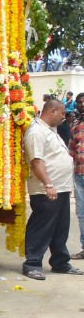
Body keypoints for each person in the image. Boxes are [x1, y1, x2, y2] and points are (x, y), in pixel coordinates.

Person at [22, 98, 83, 279]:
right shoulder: (36, 132)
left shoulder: (50, 131)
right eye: (63, 113)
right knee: (42, 226)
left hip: (60, 188)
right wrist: (48, 184)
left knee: (60, 228)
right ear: (52, 111)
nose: (65, 117)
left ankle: (60, 262)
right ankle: (32, 264)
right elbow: (36, 161)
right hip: (46, 189)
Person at [71, 93, 84, 261]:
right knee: (81, 213)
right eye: (80, 102)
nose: (82, 105)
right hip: (79, 175)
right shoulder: (75, 126)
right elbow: (72, 151)